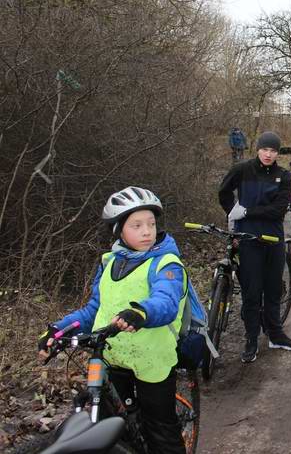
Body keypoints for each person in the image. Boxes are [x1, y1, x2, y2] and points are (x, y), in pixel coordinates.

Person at [38, 187, 187, 454]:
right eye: (137, 225)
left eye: (151, 224)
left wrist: (141, 313)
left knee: (161, 432)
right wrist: (58, 330)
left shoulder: (166, 263)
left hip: (152, 359)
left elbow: (166, 301)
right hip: (112, 355)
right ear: (119, 231)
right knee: (115, 426)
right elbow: (95, 309)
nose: (147, 231)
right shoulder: (109, 263)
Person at [218, 131, 291, 362]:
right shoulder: (242, 169)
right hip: (248, 239)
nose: (268, 154)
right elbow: (223, 191)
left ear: (277, 153)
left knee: (273, 290)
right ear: (258, 149)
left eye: (273, 151)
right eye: (265, 149)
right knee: (252, 293)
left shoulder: (284, 176)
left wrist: (247, 211)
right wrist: (232, 210)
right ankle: (251, 339)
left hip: (274, 240)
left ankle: (276, 335)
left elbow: (278, 210)